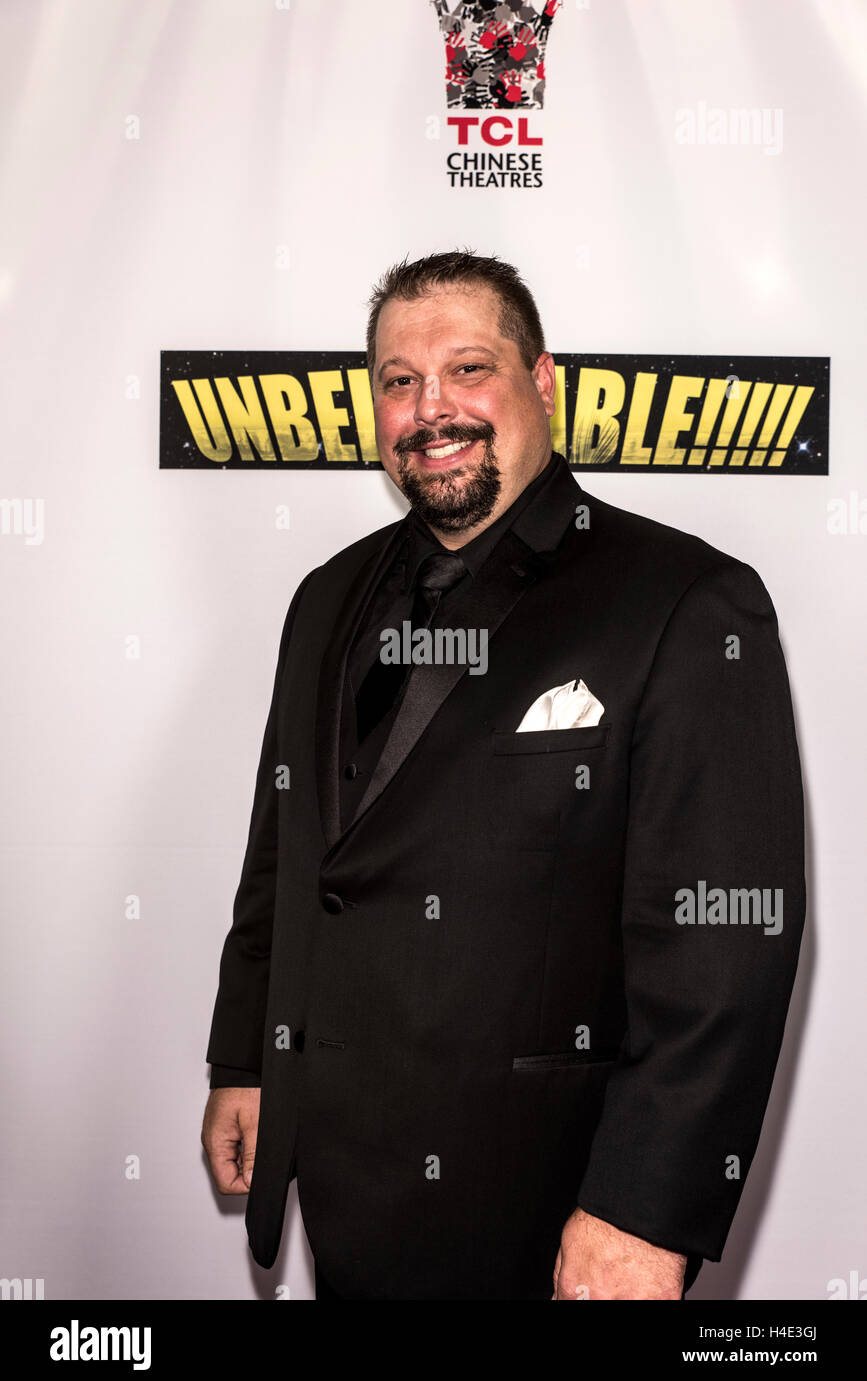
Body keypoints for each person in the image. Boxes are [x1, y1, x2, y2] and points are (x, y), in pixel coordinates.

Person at [201, 251, 805, 1300]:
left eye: (467, 368)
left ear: (544, 383)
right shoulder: (323, 598)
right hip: (345, 1186)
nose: (431, 408)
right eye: (399, 380)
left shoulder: (686, 600)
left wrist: (642, 1209)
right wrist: (247, 1059)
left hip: (547, 1209)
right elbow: (284, 856)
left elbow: (720, 943)